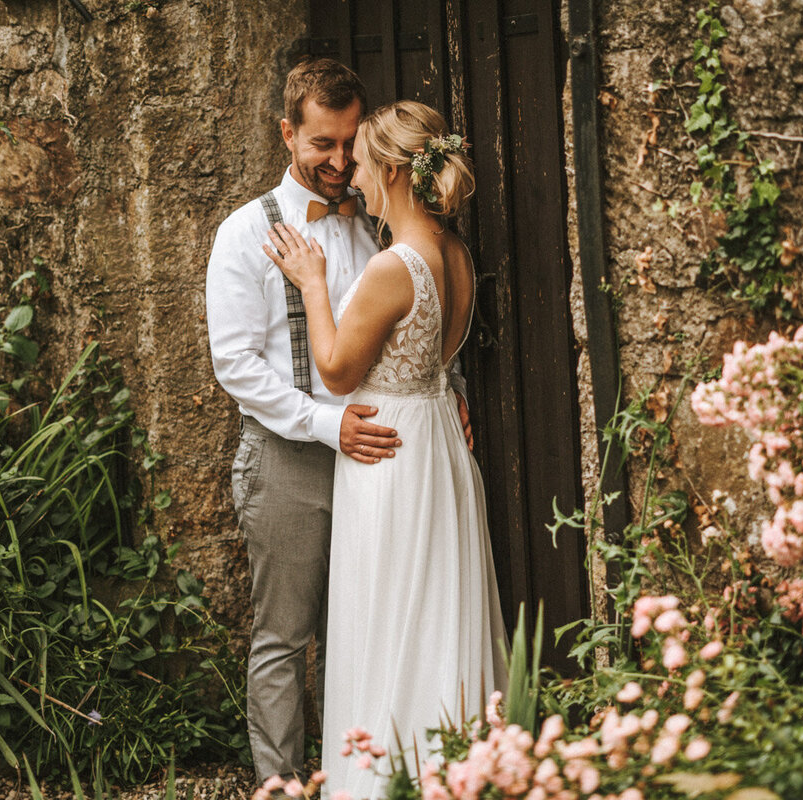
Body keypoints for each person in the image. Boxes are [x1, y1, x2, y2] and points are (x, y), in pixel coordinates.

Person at [206, 58, 473, 783]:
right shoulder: (243, 233)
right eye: (322, 143)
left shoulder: (377, 230)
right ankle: (282, 785)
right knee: (284, 637)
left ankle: (360, 777)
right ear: (286, 133)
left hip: (383, 460)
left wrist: (445, 396)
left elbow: (409, 329)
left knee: (365, 624)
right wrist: (329, 427)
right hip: (293, 458)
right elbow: (236, 366)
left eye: (350, 143)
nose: (339, 160)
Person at [262, 100, 509, 799]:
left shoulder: (395, 264)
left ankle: (385, 779)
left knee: (387, 614)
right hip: (437, 443)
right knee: (433, 607)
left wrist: (313, 285)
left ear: (396, 170)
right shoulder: (455, 252)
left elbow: (338, 370)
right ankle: (453, 769)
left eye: (366, 164)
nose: (355, 177)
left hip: (389, 453)